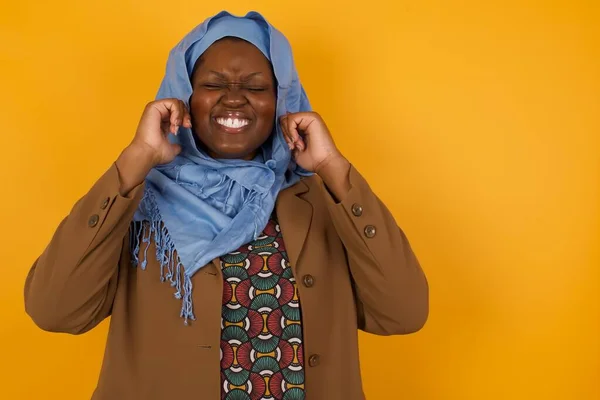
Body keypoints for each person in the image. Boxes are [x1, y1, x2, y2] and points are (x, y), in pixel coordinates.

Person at [24, 10, 429, 400]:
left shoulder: (325, 202)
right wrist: (135, 160)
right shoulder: (137, 202)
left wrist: (333, 167)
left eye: (256, 87)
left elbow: (404, 313)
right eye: (213, 84)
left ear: (281, 104)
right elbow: (54, 310)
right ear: (183, 98)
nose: (234, 100)